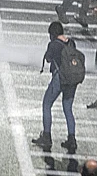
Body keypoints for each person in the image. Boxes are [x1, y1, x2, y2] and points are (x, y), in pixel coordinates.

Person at [32, 21, 79, 153]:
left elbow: (48, 59)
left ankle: (47, 136)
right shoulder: (71, 42)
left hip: (59, 78)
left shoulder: (53, 44)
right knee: (68, 108)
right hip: (72, 79)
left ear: (52, 34)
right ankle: (72, 139)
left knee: (47, 104)